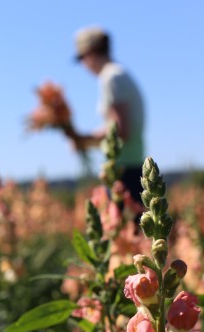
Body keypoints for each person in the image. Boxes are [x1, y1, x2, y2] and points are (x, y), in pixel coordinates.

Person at [70, 26, 146, 207]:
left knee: (120, 231)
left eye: (82, 59)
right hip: (133, 166)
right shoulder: (120, 74)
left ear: (90, 54)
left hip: (124, 170)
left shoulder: (111, 77)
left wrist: (83, 139)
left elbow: (121, 129)